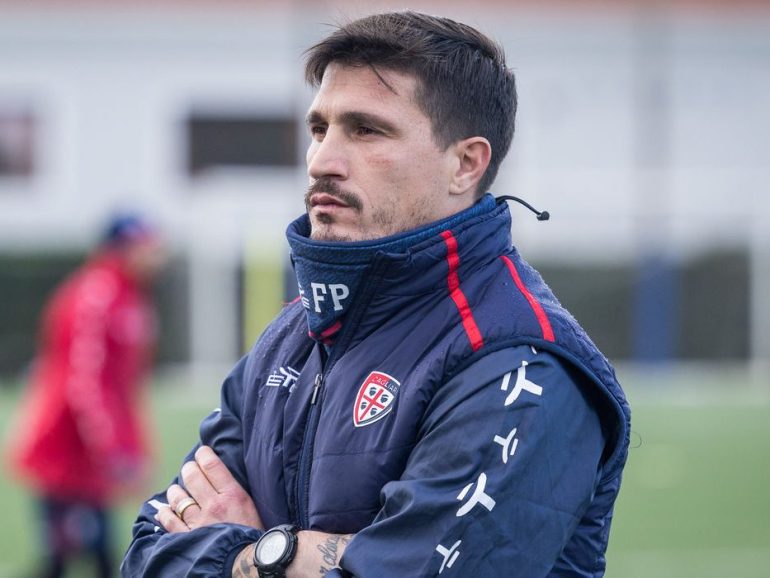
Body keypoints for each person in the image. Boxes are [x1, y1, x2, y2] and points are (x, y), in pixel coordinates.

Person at [122, 11, 631, 578]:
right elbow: (146, 554)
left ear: (465, 164)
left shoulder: (518, 365)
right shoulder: (293, 335)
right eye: (320, 129)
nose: (322, 161)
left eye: (366, 130)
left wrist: (256, 553)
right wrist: (298, 556)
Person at [6, 214, 165, 578]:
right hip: (68, 450)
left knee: (96, 553)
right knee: (69, 556)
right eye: (147, 246)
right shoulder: (96, 295)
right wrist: (113, 449)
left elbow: (123, 386)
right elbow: (86, 383)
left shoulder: (129, 295)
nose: (156, 256)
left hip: (92, 455)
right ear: (123, 248)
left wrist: (129, 444)